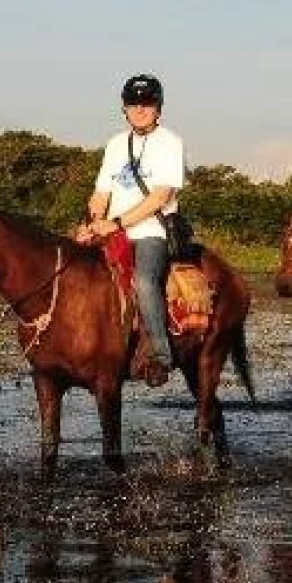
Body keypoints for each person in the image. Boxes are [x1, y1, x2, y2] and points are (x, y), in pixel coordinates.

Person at [74, 73, 188, 388]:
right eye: (134, 104)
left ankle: (161, 355)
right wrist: (91, 222)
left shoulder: (170, 142)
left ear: (158, 108)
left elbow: (161, 196)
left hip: (152, 230)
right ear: (124, 109)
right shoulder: (115, 144)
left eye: (147, 103)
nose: (140, 109)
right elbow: (101, 193)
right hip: (112, 232)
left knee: (145, 281)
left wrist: (117, 223)